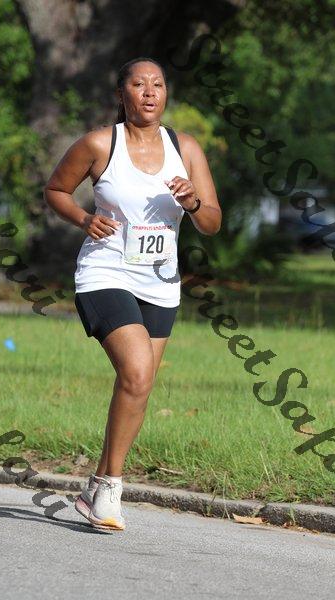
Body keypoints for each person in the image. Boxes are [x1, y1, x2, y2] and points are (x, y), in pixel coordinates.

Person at [44, 57, 221, 531]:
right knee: (138, 372)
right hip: (104, 272)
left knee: (137, 387)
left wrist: (193, 202)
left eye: (157, 84)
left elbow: (212, 222)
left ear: (166, 93)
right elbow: (56, 190)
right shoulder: (100, 144)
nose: (149, 92)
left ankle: (95, 488)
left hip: (160, 282)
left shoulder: (186, 148)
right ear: (121, 94)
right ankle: (112, 490)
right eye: (139, 84)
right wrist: (85, 219)